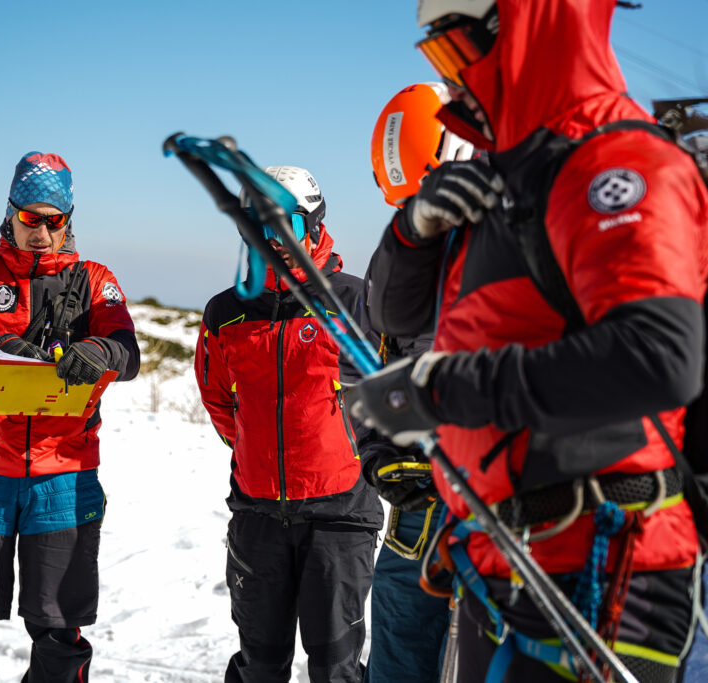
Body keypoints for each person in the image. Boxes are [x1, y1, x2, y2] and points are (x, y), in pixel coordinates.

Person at [351, 2, 708, 681]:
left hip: (606, 568)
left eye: (457, 56)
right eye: (439, 65)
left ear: (523, 27)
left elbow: (657, 356)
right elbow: (397, 311)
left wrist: (441, 392)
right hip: (502, 557)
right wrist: (413, 231)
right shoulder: (509, 178)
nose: (453, 85)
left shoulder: (614, 160)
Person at [0, 151, 140, 683]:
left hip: (64, 478)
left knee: (60, 638)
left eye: (53, 220)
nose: (40, 231)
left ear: (67, 220)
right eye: (29, 218)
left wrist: (100, 354)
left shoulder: (95, 279)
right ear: (11, 213)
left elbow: (127, 350)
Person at [195, 165, 384, 683]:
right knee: (260, 665)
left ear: (315, 225)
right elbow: (217, 399)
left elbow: (387, 391)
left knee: (336, 668)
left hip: (340, 516)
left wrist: (346, 448)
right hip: (257, 514)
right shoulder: (226, 312)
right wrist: (259, 452)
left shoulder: (356, 301)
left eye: (288, 225)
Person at [362, 81, 474, 683]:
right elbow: (370, 362)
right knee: (401, 651)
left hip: (501, 496)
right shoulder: (396, 250)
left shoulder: (514, 234)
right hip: (421, 500)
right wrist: (381, 452)